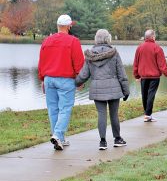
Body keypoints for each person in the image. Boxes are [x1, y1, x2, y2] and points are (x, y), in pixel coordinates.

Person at [75, 29, 129, 150]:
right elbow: (121, 73)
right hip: (113, 87)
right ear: (108, 39)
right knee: (114, 114)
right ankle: (117, 139)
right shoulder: (114, 53)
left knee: (101, 114)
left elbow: (84, 75)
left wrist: (75, 83)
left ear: (96, 39)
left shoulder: (90, 55)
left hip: (97, 88)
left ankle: (103, 142)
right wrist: (126, 90)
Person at [38, 14, 84, 150]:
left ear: (58, 26)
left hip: (49, 79)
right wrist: (80, 79)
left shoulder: (46, 41)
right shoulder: (73, 41)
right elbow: (78, 62)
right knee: (65, 109)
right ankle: (57, 135)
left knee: (53, 109)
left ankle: (60, 138)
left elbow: (41, 62)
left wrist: (42, 79)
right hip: (65, 79)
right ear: (69, 26)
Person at [133, 29, 167, 122]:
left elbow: (136, 63)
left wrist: (137, 75)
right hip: (154, 77)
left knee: (144, 95)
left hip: (143, 77)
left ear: (145, 37)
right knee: (151, 95)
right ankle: (148, 115)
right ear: (153, 37)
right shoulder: (157, 48)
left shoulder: (139, 48)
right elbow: (162, 65)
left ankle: (147, 114)